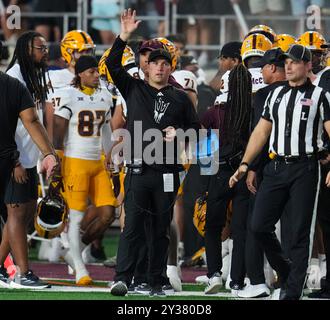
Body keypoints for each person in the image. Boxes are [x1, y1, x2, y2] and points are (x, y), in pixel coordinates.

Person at [107, 8, 200, 297]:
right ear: (146, 67)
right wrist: (124, 36)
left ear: (171, 68)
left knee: (161, 228)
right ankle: (122, 278)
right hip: (138, 169)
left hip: (168, 172)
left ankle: (157, 280)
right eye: (155, 63)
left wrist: (181, 134)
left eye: (165, 64)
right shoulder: (133, 88)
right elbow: (112, 64)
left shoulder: (181, 98)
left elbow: (198, 132)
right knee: (132, 226)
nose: (160, 68)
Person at [229, 44, 330, 300]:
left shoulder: (320, 96)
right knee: (259, 225)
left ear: (308, 66)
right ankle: (287, 270)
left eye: (295, 61)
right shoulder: (274, 95)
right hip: (275, 167)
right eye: (287, 61)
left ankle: (292, 291)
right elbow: (261, 131)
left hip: (305, 167)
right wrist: (245, 164)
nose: (289, 65)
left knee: (299, 232)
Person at [52, 55, 118, 285]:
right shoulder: (69, 95)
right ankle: (80, 268)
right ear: (80, 74)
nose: (96, 75)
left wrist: (111, 156)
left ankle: (73, 252)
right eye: (91, 71)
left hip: (98, 163)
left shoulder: (105, 96)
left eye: (96, 71)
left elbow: (107, 130)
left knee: (109, 213)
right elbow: (58, 129)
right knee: (77, 216)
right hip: (75, 161)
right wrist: (56, 158)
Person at [0, 39, 57, 289]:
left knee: (23, 214)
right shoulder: (14, 79)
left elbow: (33, 121)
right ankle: (22, 273)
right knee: (17, 213)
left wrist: (49, 153)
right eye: (40, 48)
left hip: (25, 156)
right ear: (25, 50)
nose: (45, 53)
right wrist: (15, 160)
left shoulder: (22, 80)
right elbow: (16, 125)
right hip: (15, 158)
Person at [238, 48, 287, 298]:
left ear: (272, 68)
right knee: (292, 228)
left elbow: (260, 136)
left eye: (265, 67)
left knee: (256, 226)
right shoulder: (301, 92)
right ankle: (290, 280)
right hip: (300, 168)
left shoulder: (264, 95)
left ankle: (257, 280)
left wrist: (251, 167)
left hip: (268, 167)